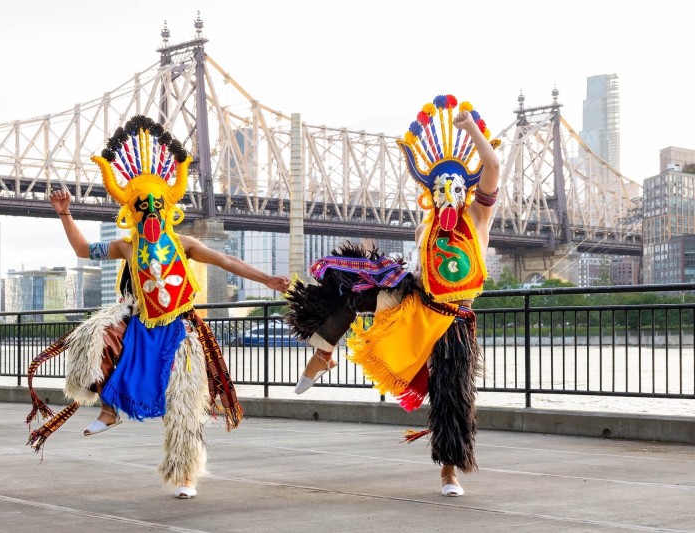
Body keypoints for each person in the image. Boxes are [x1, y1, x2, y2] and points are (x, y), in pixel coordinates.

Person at [25, 115, 289, 500]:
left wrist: (266, 280)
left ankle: (186, 477)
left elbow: (226, 262)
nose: (149, 209)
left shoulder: (183, 243)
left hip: (180, 330)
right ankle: (109, 409)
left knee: (183, 405)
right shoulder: (126, 246)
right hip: (139, 325)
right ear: (133, 211)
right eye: (141, 206)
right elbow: (84, 251)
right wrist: (65, 213)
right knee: (94, 337)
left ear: (165, 207)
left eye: (155, 204)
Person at [285, 95, 500, 497]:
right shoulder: (424, 229)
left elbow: (493, 166)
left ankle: (449, 473)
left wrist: (470, 130)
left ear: (464, 188)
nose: (446, 192)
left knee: (450, 396)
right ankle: (322, 353)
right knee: (351, 287)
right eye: (439, 187)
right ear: (430, 191)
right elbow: (423, 270)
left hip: (453, 322)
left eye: (453, 185)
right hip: (417, 303)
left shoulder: (477, 218)